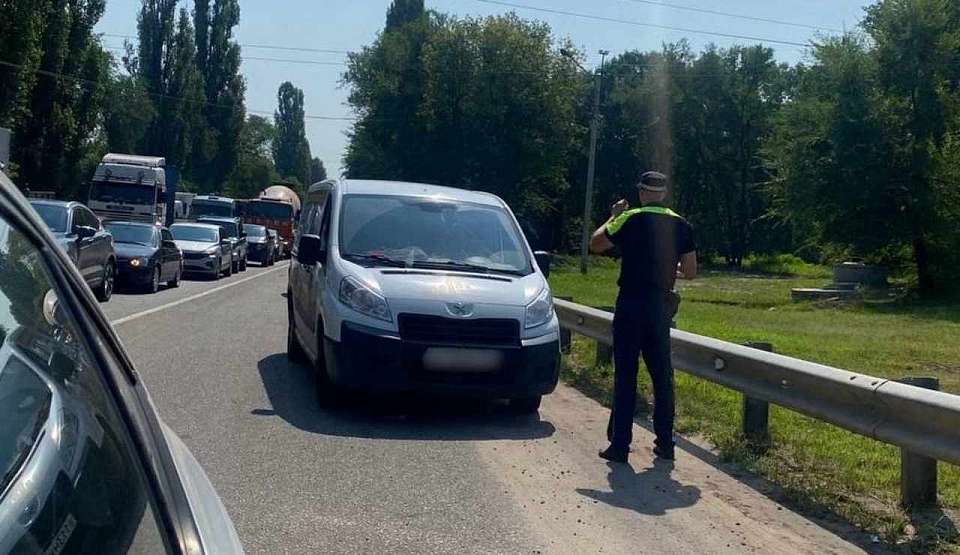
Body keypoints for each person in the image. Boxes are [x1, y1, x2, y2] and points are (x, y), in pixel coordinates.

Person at [588, 171, 697, 463]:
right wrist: (664, 272)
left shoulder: (630, 217)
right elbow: (690, 271)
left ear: (641, 192)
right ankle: (665, 443)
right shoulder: (682, 224)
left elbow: (595, 244)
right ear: (663, 193)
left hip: (631, 303)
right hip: (660, 305)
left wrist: (613, 217)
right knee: (663, 376)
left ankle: (620, 446)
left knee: (626, 375)